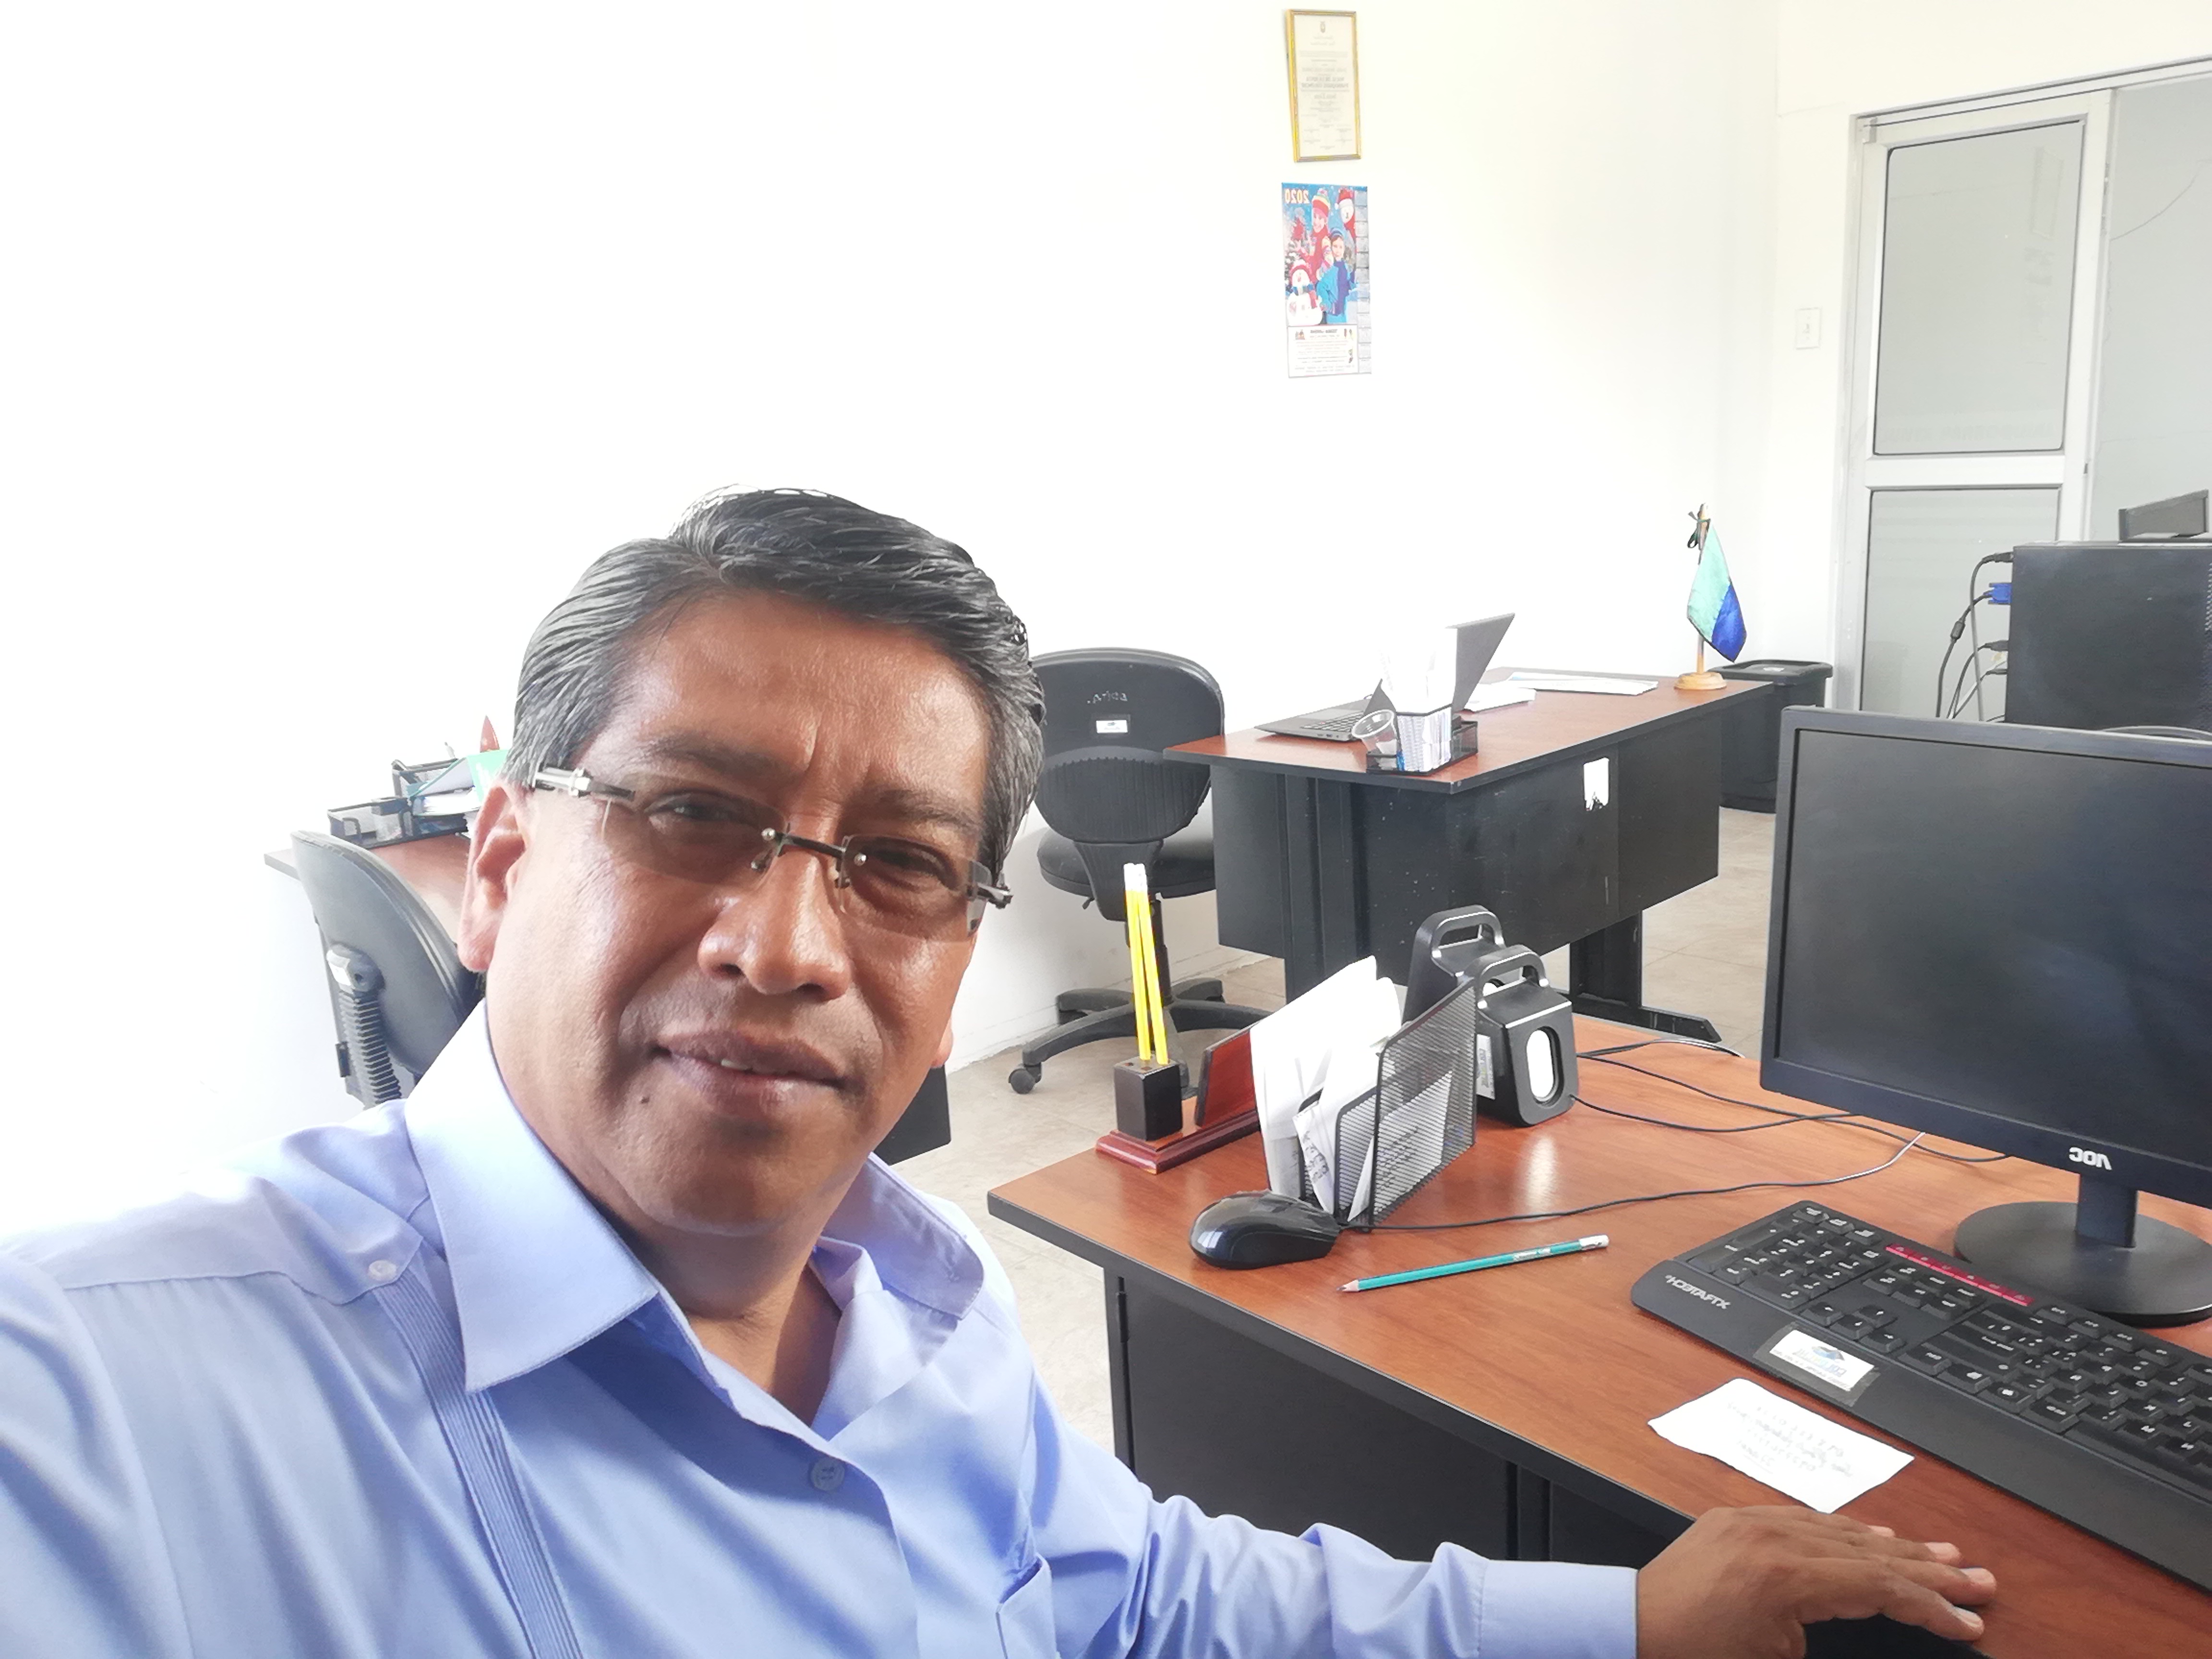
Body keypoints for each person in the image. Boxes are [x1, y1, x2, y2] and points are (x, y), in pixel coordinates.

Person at [0, 489, 1997, 1657]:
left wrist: (1627, 1619)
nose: (789, 945)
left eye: (894, 862)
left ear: (959, 947)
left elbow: (1141, 1599)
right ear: (502, 867)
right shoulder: (98, 1408)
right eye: (694, 812)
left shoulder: (918, 1301)